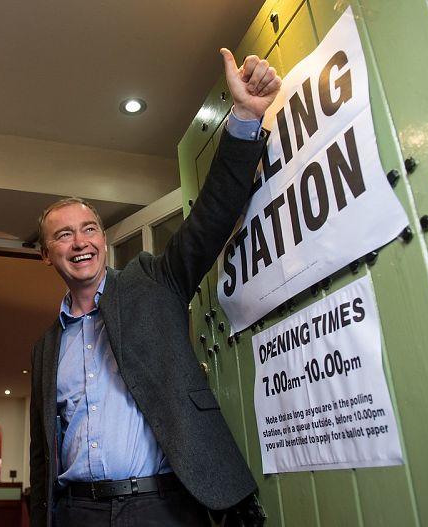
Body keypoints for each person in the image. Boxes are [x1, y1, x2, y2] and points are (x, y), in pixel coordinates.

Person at [29, 49, 282, 527]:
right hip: (77, 510)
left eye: (89, 229)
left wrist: (246, 116)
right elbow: (42, 452)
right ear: (46, 254)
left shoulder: (152, 281)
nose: (80, 242)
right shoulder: (46, 348)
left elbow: (210, 218)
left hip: (161, 506)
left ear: (103, 240)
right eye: (63, 235)